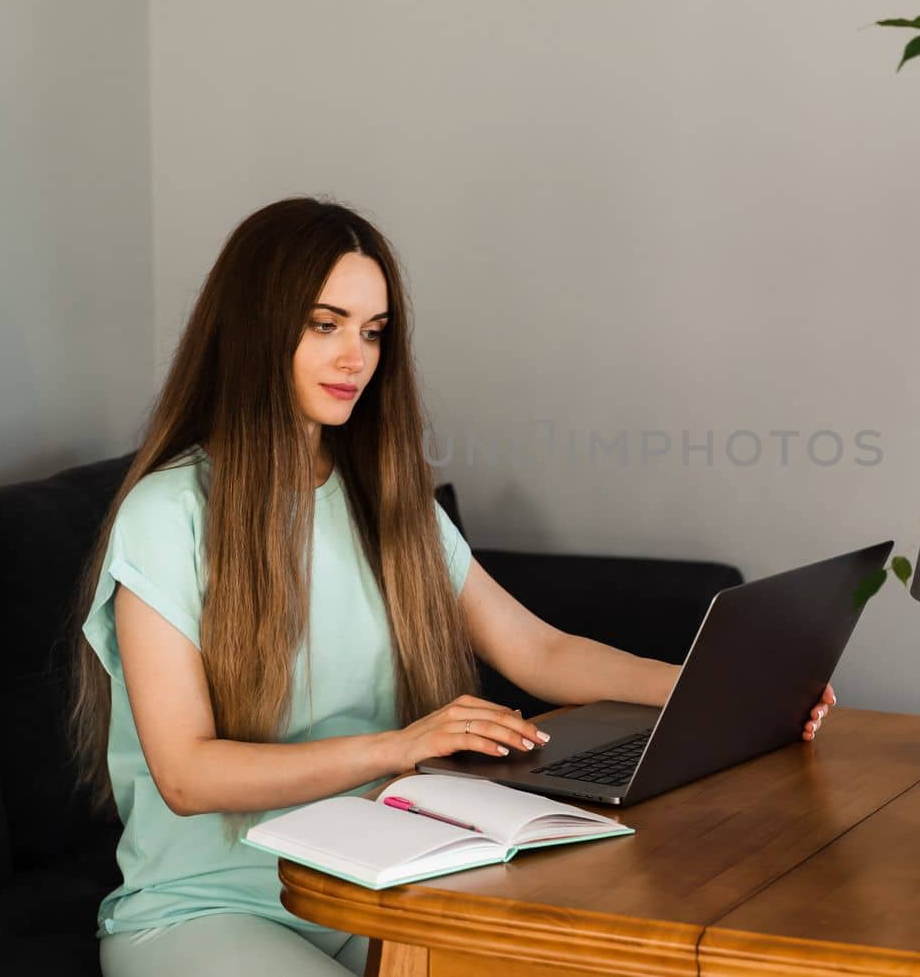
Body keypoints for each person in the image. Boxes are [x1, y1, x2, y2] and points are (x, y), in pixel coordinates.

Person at [67, 197, 835, 976]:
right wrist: (399, 745)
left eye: (372, 332)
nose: (354, 358)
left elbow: (537, 648)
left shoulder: (382, 498)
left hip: (381, 884)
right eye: (324, 324)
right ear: (255, 326)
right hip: (208, 908)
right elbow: (188, 774)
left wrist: (722, 689)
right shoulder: (168, 513)